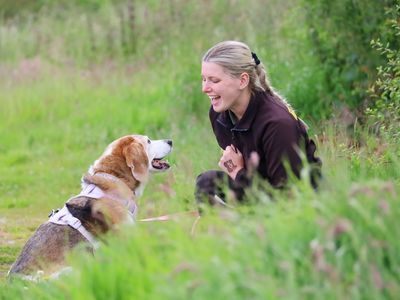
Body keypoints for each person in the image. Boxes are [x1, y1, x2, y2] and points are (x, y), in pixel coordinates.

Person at [195, 41, 321, 205]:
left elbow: (288, 197)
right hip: (256, 189)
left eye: (214, 80)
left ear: (242, 81)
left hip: (297, 204)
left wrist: (236, 171)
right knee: (206, 183)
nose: (205, 88)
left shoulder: (277, 124)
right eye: (204, 79)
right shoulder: (219, 115)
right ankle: (216, 228)